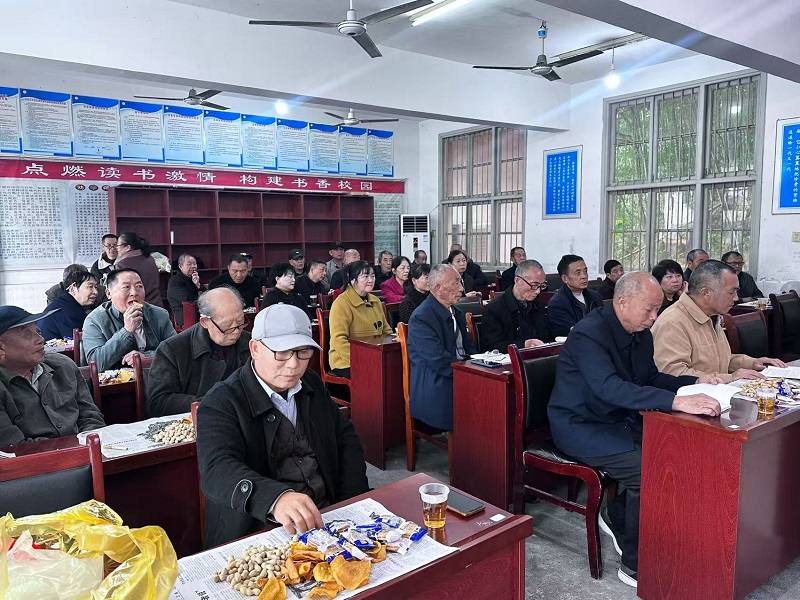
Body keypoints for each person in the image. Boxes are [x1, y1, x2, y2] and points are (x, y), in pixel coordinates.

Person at [547, 272, 723, 587]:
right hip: (581, 425)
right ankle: (635, 564)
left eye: (658, 309)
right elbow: (609, 388)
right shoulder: (589, 334)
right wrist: (676, 402)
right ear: (622, 301)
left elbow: (649, 379)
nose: (655, 317)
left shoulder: (640, 331)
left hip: (619, 419)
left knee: (679, 452)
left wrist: (693, 381)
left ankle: (618, 514)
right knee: (647, 471)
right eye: (649, 309)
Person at [196, 303, 368, 547]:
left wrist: (351, 503)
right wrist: (275, 499)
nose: (293, 364)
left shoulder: (310, 383)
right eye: (282, 352)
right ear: (255, 349)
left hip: (326, 513)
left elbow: (345, 439)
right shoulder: (222, 402)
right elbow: (217, 469)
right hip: (262, 527)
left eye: (303, 352)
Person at [651, 260, 785, 383]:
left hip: (716, 393)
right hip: (691, 399)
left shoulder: (711, 315)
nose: (736, 298)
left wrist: (752, 363)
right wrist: (730, 378)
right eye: (731, 292)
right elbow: (673, 374)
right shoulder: (672, 322)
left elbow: (720, 361)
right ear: (706, 293)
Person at [0, 305, 105, 446]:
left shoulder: (63, 365)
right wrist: (70, 449)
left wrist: (89, 446)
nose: (41, 339)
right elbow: (13, 447)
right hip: (38, 459)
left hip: (87, 452)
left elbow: (91, 417)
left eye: (38, 331)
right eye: (27, 334)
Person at [147, 287, 251, 418]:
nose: (236, 331)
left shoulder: (252, 343)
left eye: (240, 322)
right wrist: (213, 403)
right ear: (205, 322)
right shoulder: (172, 349)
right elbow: (159, 402)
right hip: (197, 421)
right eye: (227, 326)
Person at [407, 265, 477, 431]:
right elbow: (438, 360)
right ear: (438, 288)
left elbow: (469, 348)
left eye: (460, 283)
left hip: (460, 372)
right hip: (436, 382)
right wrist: (471, 373)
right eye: (455, 283)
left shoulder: (456, 311)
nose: (461, 289)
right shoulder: (421, 318)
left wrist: (481, 365)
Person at [82, 268, 176, 371]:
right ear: (109, 293)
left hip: (156, 376)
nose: (134, 293)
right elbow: (96, 364)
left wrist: (146, 357)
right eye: (126, 287)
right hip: (116, 380)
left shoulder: (159, 314)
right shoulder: (95, 320)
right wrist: (126, 331)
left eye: (139, 286)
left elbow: (176, 349)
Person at [328, 261, 393, 379]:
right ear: (353, 280)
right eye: (365, 276)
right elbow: (338, 340)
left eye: (372, 276)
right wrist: (363, 359)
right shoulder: (341, 303)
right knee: (377, 375)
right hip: (346, 361)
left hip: (375, 356)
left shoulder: (375, 301)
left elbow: (386, 331)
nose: (371, 280)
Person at [481, 259, 552, 352]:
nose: (538, 291)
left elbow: (547, 335)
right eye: (534, 285)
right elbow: (491, 346)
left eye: (542, 286)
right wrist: (524, 345)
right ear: (517, 281)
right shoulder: (495, 309)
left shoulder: (538, 305)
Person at [547, 254, 604, 337]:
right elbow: (573, 332)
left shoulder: (595, 296)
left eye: (585, 271)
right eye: (578, 273)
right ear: (565, 278)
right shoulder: (557, 303)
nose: (584, 276)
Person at [39, 270, 99, 341]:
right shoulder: (68, 312)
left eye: (96, 287)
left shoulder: (65, 304)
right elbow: (80, 342)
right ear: (73, 289)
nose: (95, 292)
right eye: (90, 286)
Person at [114, 231, 163, 307]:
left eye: (118, 245)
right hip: (157, 305)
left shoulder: (122, 264)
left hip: (137, 307)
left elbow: (123, 290)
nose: (117, 248)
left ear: (127, 247)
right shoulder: (150, 258)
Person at [167, 254, 207, 328]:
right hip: (185, 317)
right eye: (189, 264)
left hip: (200, 313)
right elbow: (187, 298)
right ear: (180, 266)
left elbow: (207, 294)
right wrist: (203, 300)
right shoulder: (175, 281)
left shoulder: (195, 278)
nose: (193, 266)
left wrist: (198, 285)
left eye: (194, 264)